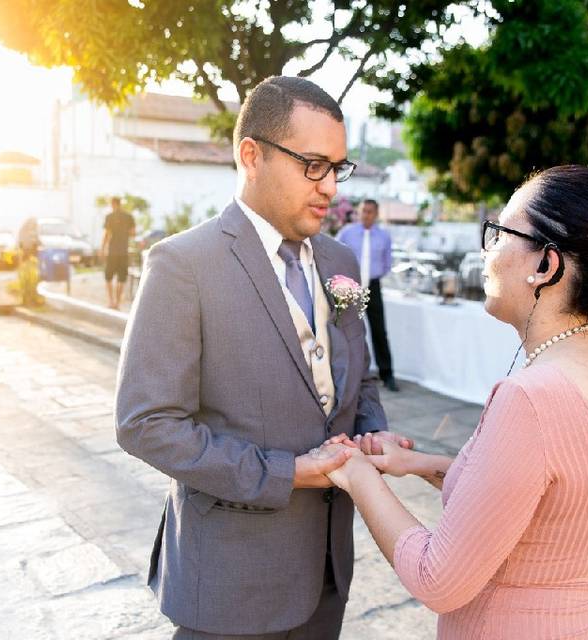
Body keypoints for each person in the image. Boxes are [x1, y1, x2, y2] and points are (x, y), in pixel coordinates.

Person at [318, 165, 588, 639]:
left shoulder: (532, 399)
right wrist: (418, 463)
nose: (488, 249)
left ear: (545, 265)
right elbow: (552, 501)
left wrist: (356, 474)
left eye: (499, 233)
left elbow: (438, 579)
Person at [114, 76, 411, 639]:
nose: (330, 188)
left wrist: (373, 433)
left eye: (338, 168)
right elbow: (146, 423)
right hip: (232, 579)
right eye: (312, 165)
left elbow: (359, 377)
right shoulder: (183, 265)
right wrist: (286, 474)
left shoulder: (340, 255)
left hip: (326, 570)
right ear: (252, 155)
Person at [337, 199, 398, 391]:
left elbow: (387, 263)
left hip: (373, 286)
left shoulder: (384, 236)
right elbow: (334, 253)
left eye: (370, 211)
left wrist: (373, 277)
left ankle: (387, 374)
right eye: (363, 211)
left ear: (376, 214)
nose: (366, 215)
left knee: (379, 331)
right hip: (350, 286)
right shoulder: (347, 233)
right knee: (347, 330)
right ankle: (346, 374)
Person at [102, 196, 135, 309]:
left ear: (113, 204)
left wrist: (102, 248)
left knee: (108, 277)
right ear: (120, 204)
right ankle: (117, 303)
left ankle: (111, 301)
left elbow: (107, 234)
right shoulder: (129, 217)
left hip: (112, 251)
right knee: (122, 278)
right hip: (123, 251)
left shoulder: (109, 217)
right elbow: (132, 233)